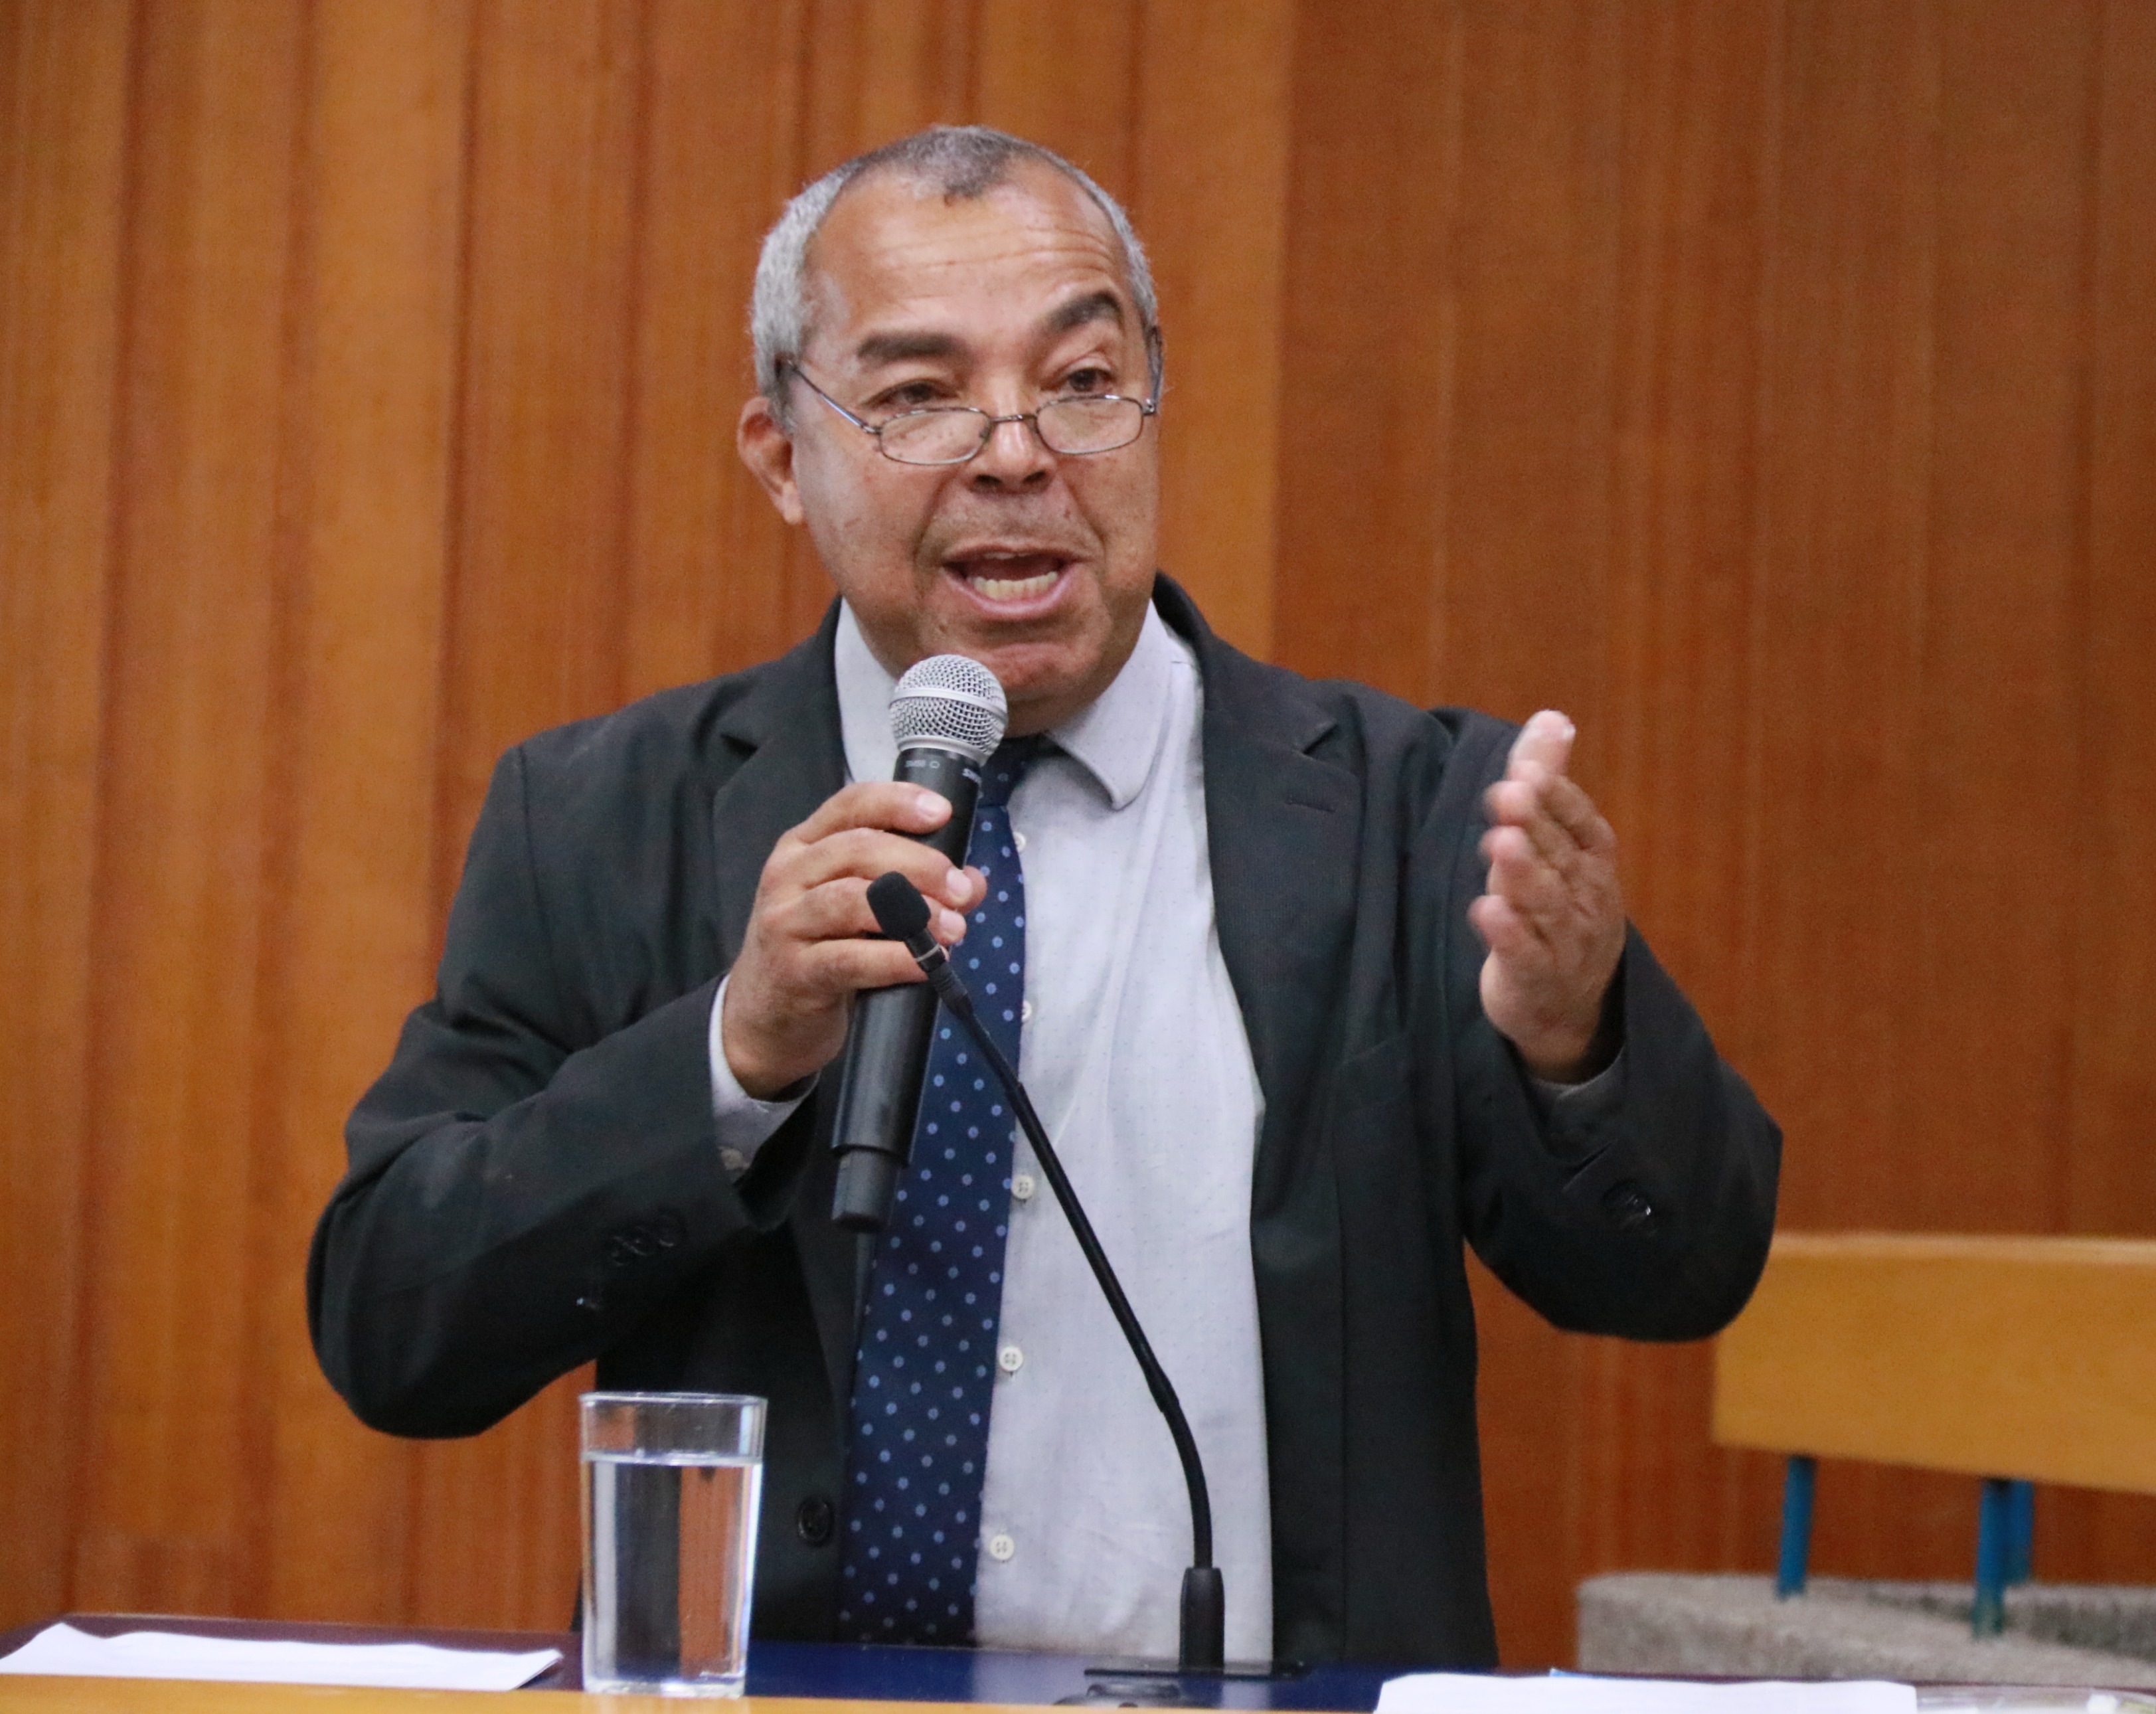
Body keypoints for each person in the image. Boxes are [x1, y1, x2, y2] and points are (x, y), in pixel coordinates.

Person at [307, 125, 1779, 1669]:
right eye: (920, 395)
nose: (1016, 453)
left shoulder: (1412, 813)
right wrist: (731, 1058)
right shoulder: (603, 818)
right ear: (781, 457)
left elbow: (1683, 1274)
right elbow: (394, 1325)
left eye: (1081, 381)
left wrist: (1574, 1044)